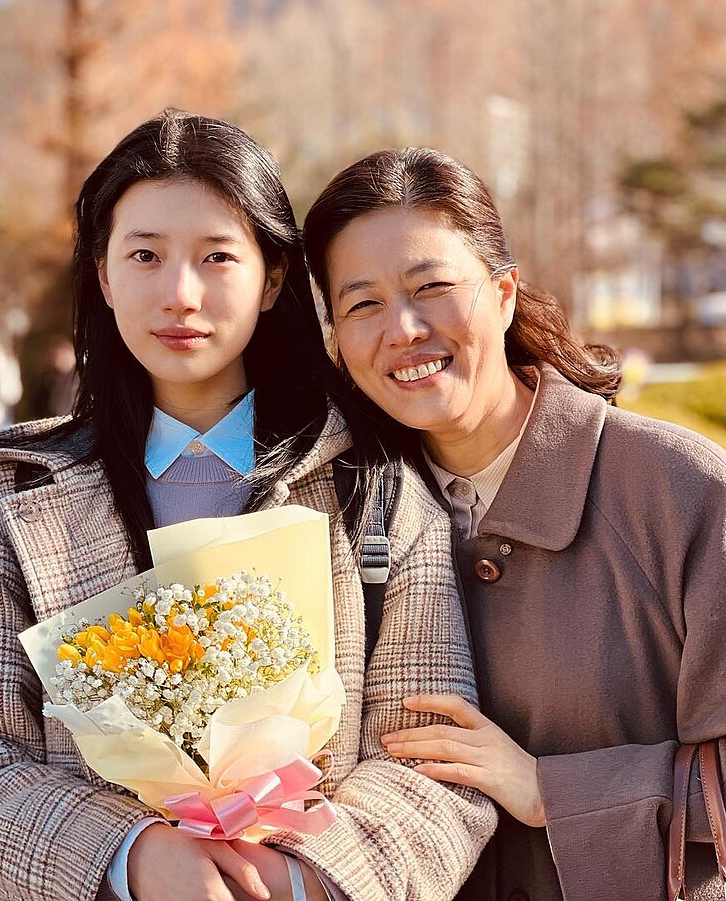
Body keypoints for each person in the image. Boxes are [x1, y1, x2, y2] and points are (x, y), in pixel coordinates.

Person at [0, 110, 494, 901]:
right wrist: (134, 856)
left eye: (218, 257)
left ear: (273, 278)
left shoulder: (373, 486)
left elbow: (433, 763)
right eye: (145, 255)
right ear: (104, 275)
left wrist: (300, 878)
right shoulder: (9, 498)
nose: (181, 294)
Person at [303, 147, 726, 901]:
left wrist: (549, 789)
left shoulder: (679, 489)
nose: (402, 328)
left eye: (431, 286)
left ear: (503, 293)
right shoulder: (333, 516)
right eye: (361, 303)